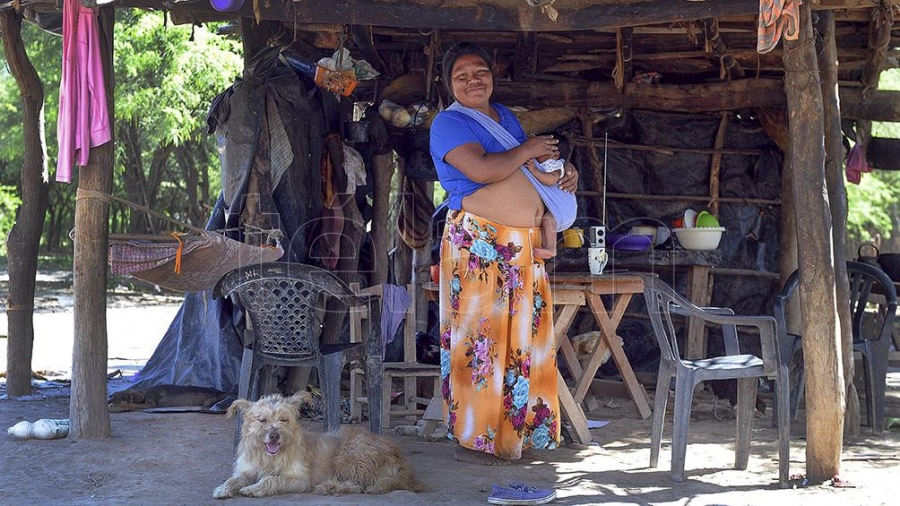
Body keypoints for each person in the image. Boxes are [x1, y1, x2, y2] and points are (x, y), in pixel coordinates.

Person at [429, 42, 579, 466]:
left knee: (522, 341)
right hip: (479, 245)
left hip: (522, 247)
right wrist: (530, 149)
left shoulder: (506, 118)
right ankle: (478, 434)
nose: (473, 80)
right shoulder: (447, 124)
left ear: (492, 75)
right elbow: (484, 170)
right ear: (449, 84)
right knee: (481, 342)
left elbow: (533, 169)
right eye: (462, 76)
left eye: (480, 71)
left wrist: (564, 172)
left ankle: (518, 433)